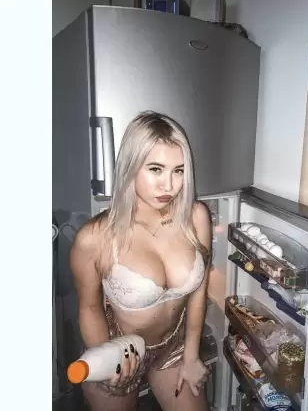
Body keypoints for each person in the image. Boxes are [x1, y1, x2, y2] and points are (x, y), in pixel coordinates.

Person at [70, 111, 212, 411]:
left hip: (174, 348)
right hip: (119, 352)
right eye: (156, 169)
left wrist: (191, 355)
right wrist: (107, 358)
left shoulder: (196, 217)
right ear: (131, 166)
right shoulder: (94, 238)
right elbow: (90, 307)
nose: (169, 186)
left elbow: (199, 292)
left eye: (179, 171)